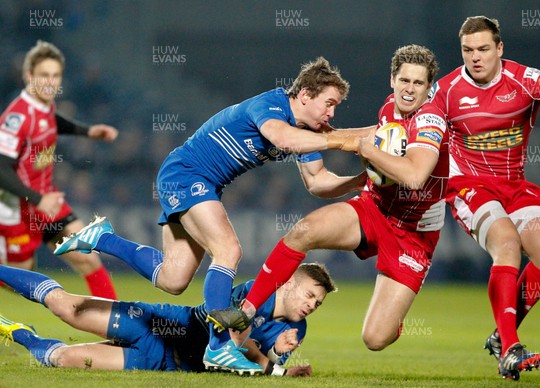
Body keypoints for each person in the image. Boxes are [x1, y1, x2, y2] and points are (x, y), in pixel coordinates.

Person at [54, 56, 368, 373]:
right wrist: (346, 140)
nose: (331, 113)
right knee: (228, 250)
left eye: (335, 106)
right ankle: (218, 347)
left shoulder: (305, 131)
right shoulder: (272, 105)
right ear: (304, 95)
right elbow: (284, 138)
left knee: (173, 278)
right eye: (329, 103)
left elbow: (318, 181)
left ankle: (101, 238)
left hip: (201, 184)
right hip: (187, 174)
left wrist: (360, 180)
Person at [209, 44, 448, 353]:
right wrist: (333, 136)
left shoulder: (431, 120)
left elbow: (414, 176)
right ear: (392, 80)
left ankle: (396, 316)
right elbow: (375, 132)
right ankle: (248, 310)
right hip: (374, 207)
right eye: (404, 81)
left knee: (375, 338)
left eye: (418, 83)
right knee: (304, 231)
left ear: (429, 88)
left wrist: (367, 150)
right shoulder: (390, 107)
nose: (409, 89)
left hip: (413, 234)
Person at [427, 16, 540, 380]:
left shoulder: (524, 78)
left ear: (500, 48)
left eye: (484, 49)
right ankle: (510, 348)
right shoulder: (445, 91)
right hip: (469, 186)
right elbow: (416, 128)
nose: (475, 57)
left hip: (514, 185)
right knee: (506, 244)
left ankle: (501, 337)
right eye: (468, 50)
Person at [0, 262, 335, 376]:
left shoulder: (295, 330)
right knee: (66, 309)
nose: (311, 305)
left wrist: (278, 357)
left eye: (317, 303)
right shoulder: (253, 293)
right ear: (289, 284)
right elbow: (237, 344)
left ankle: (21, 333)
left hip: (165, 363)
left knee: (65, 358)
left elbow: (261, 370)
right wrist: (272, 363)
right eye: (309, 295)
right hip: (160, 324)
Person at [0, 40, 118, 299]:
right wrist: (38, 200)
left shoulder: (44, 106)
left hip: (47, 202)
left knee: (89, 259)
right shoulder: (16, 118)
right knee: (19, 278)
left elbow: (53, 121)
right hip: (17, 208)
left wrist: (88, 132)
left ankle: (118, 328)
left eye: (55, 76)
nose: (50, 82)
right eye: (44, 75)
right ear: (29, 76)